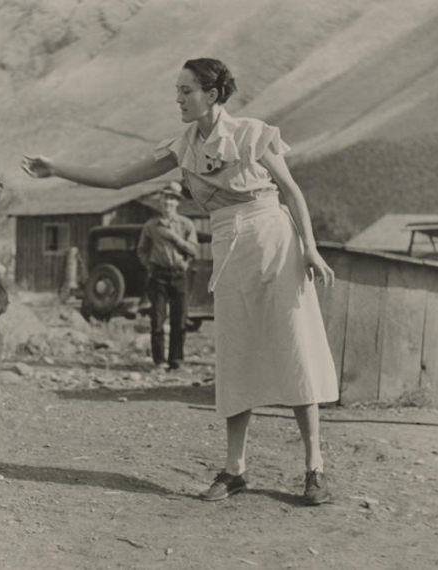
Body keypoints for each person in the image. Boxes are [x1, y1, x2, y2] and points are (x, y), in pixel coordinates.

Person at [22, 57, 339, 505]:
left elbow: (291, 191)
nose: (178, 99)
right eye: (176, 90)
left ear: (211, 94)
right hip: (229, 246)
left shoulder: (251, 133)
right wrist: (56, 168)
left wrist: (309, 246)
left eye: (185, 91)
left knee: (295, 345)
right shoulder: (180, 147)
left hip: (274, 240)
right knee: (234, 354)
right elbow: (116, 179)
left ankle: (314, 469)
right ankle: (235, 470)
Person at [137, 181, 199, 371]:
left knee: (179, 320)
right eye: (165, 199)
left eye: (172, 199)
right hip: (159, 277)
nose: (168, 203)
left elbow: (193, 249)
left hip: (179, 275)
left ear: (177, 202)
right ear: (160, 202)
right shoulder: (151, 226)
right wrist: (150, 267)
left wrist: (173, 237)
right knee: (157, 320)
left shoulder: (186, 224)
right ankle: (159, 361)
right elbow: (142, 250)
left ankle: (176, 360)